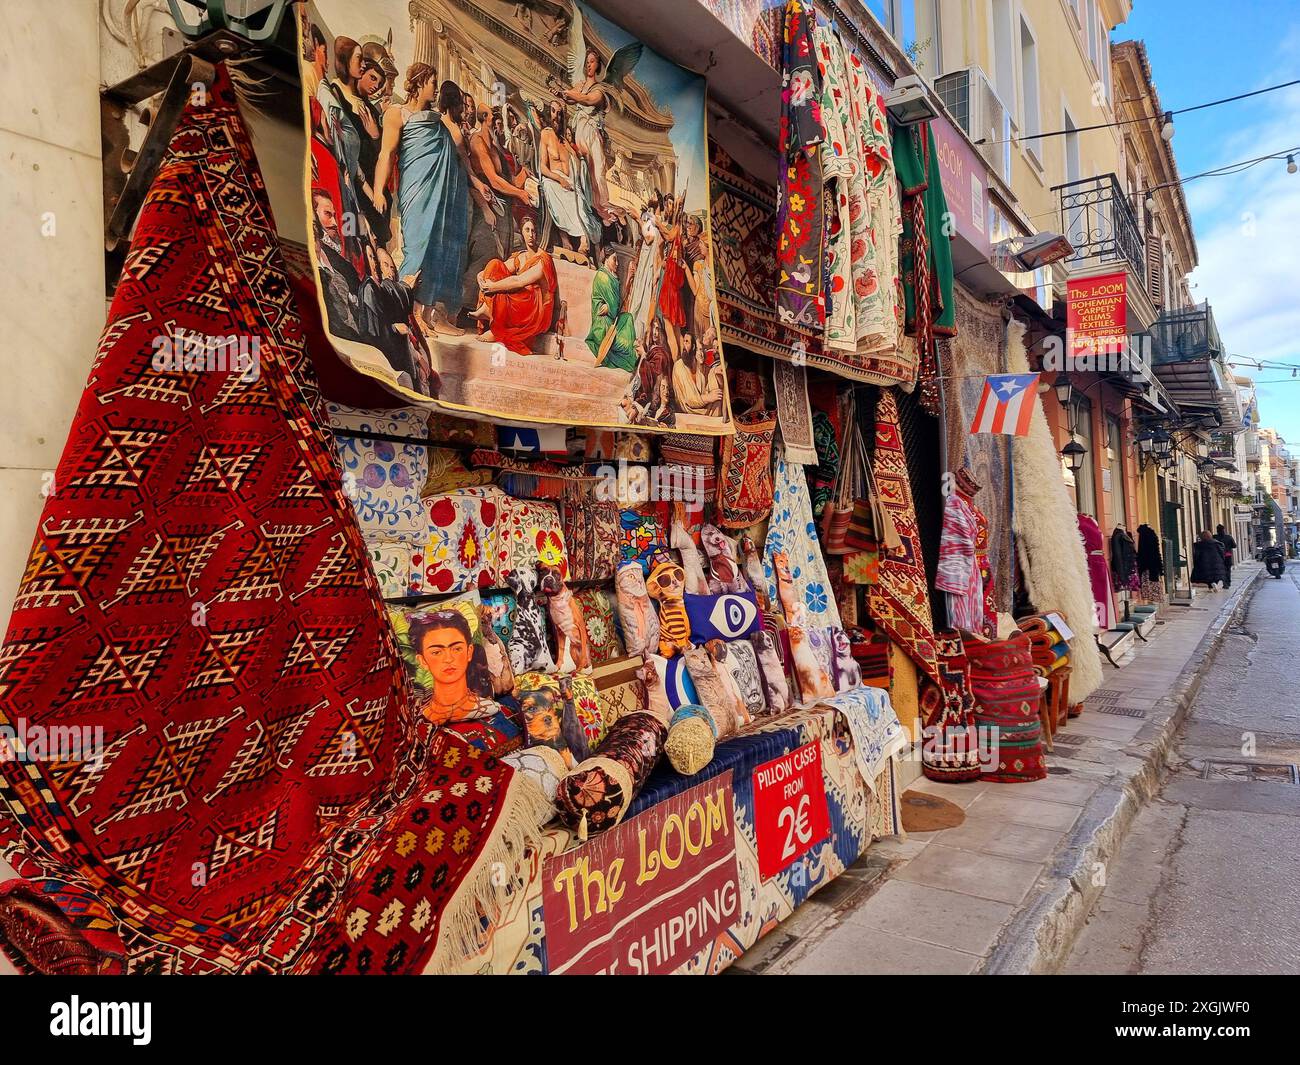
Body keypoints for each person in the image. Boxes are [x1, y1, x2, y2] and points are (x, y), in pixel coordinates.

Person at [373, 66, 488, 338]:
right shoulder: (396, 113)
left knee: (435, 251)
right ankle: (404, 311)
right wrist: (379, 190)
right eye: (432, 83)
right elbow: (386, 154)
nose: (435, 89)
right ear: (420, 82)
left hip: (439, 193)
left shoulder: (438, 121)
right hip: (415, 189)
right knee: (417, 246)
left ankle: (423, 314)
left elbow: (456, 156)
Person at [474, 215, 557, 354]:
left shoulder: (544, 259)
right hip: (522, 301)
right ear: (522, 232)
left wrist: (491, 287)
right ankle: (488, 311)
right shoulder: (521, 256)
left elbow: (519, 281)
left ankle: (491, 317)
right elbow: (496, 268)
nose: (531, 234)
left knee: (528, 289)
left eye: (533, 231)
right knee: (495, 264)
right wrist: (480, 276)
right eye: (527, 230)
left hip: (536, 310)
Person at [409, 610, 495, 726]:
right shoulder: (415, 718)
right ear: (422, 660)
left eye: (456, 649)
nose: (448, 659)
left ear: (469, 652)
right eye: (436, 652)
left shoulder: (487, 707)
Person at [538, 102, 600, 258]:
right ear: (548, 113)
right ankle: (565, 239)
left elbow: (579, 169)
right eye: (553, 112)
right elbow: (543, 167)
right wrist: (559, 179)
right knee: (552, 188)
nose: (556, 117)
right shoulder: (545, 134)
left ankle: (584, 241)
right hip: (554, 180)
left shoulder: (566, 143)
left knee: (578, 198)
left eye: (560, 113)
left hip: (571, 184)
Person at [587, 250, 637, 370]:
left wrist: (629, 277)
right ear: (606, 259)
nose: (617, 263)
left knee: (628, 317)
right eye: (614, 259)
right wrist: (610, 306)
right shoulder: (603, 277)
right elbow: (615, 309)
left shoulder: (611, 277)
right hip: (602, 326)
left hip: (611, 319)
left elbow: (617, 304)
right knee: (624, 347)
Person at [670, 330, 723, 417]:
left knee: (714, 374)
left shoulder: (699, 369)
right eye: (684, 342)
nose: (684, 345)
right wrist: (708, 397)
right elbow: (690, 400)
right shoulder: (679, 366)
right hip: (689, 410)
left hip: (701, 407)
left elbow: (706, 391)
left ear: (693, 347)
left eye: (687, 342)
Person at [1214, 524, 1237, 589]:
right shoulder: (1229, 537)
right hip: (1227, 556)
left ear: (1217, 530)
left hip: (1218, 557)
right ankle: (1227, 583)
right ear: (1224, 530)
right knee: (1227, 570)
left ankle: (1216, 583)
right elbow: (1234, 546)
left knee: (1218, 570)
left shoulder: (1215, 537)